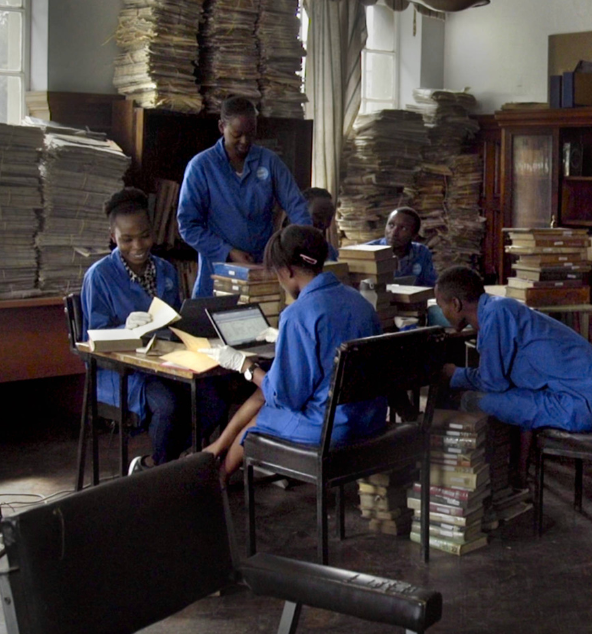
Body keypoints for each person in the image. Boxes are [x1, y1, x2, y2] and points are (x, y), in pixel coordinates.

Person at [205, 225, 387, 478]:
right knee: (262, 395)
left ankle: (216, 478)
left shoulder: (297, 314)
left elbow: (285, 397)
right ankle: (215, 450)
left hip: (328, 429)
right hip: (369, 419)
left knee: (257, 422)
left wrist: (245, 366)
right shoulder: (359, 301)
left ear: (286, 271)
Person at [81, 188, 228, 473]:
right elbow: (95, 336)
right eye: (127, 239)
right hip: (124, 371)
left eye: (145, 235)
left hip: (166, 363)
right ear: (113, 237)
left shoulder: (166, 270)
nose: (138, 245)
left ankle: (156, 464)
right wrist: (126, 328)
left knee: (215, 398)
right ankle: (165, 471)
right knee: (169, 405)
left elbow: (174, 320)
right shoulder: (99, 276)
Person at [435, 265, 592, 432]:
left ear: (455, 304)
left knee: (472, 399)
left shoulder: (495, 315)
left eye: (440, 305)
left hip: (583, 405)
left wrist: (456, 374)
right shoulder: (499, 307)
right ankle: (522, 466)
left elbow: (493, 383)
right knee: (511, 396)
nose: (441, 312)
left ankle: (499, 468)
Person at [178, 95, 313, 299]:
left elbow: (296, 206)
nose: (245, 141)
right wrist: (228, 252)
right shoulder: (201, 167)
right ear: (222, 127)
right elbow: (188, 226)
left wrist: (300, 248)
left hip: (264, 270)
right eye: (237, 134)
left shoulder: (269, 161)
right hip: (217, 273)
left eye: (251, 134)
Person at [368, 206, 436, 287]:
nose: (394, 233)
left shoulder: (421, 253)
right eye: (391, 225)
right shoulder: (368, 252)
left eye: (403, 228)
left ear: (414, 235)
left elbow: (430, 285)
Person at [303, 187, 339, 262]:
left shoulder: (327, 249)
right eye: (318, 216)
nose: (325, 223)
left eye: (329, 217)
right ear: (301, 213)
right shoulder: (282, 249)